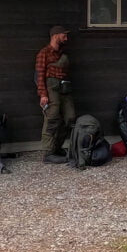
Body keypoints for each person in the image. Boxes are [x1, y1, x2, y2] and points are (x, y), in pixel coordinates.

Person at [35, 25, 77, 164]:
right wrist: (43, 94)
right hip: (51, 88)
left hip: (64, 87)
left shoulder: (62, 53)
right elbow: (39, 75)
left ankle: (57, 147)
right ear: (55, 36)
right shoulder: (44, 53)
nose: (66, 38)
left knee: (70, 117)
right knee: (52, 118)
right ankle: (48, 153)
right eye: (64, 35)